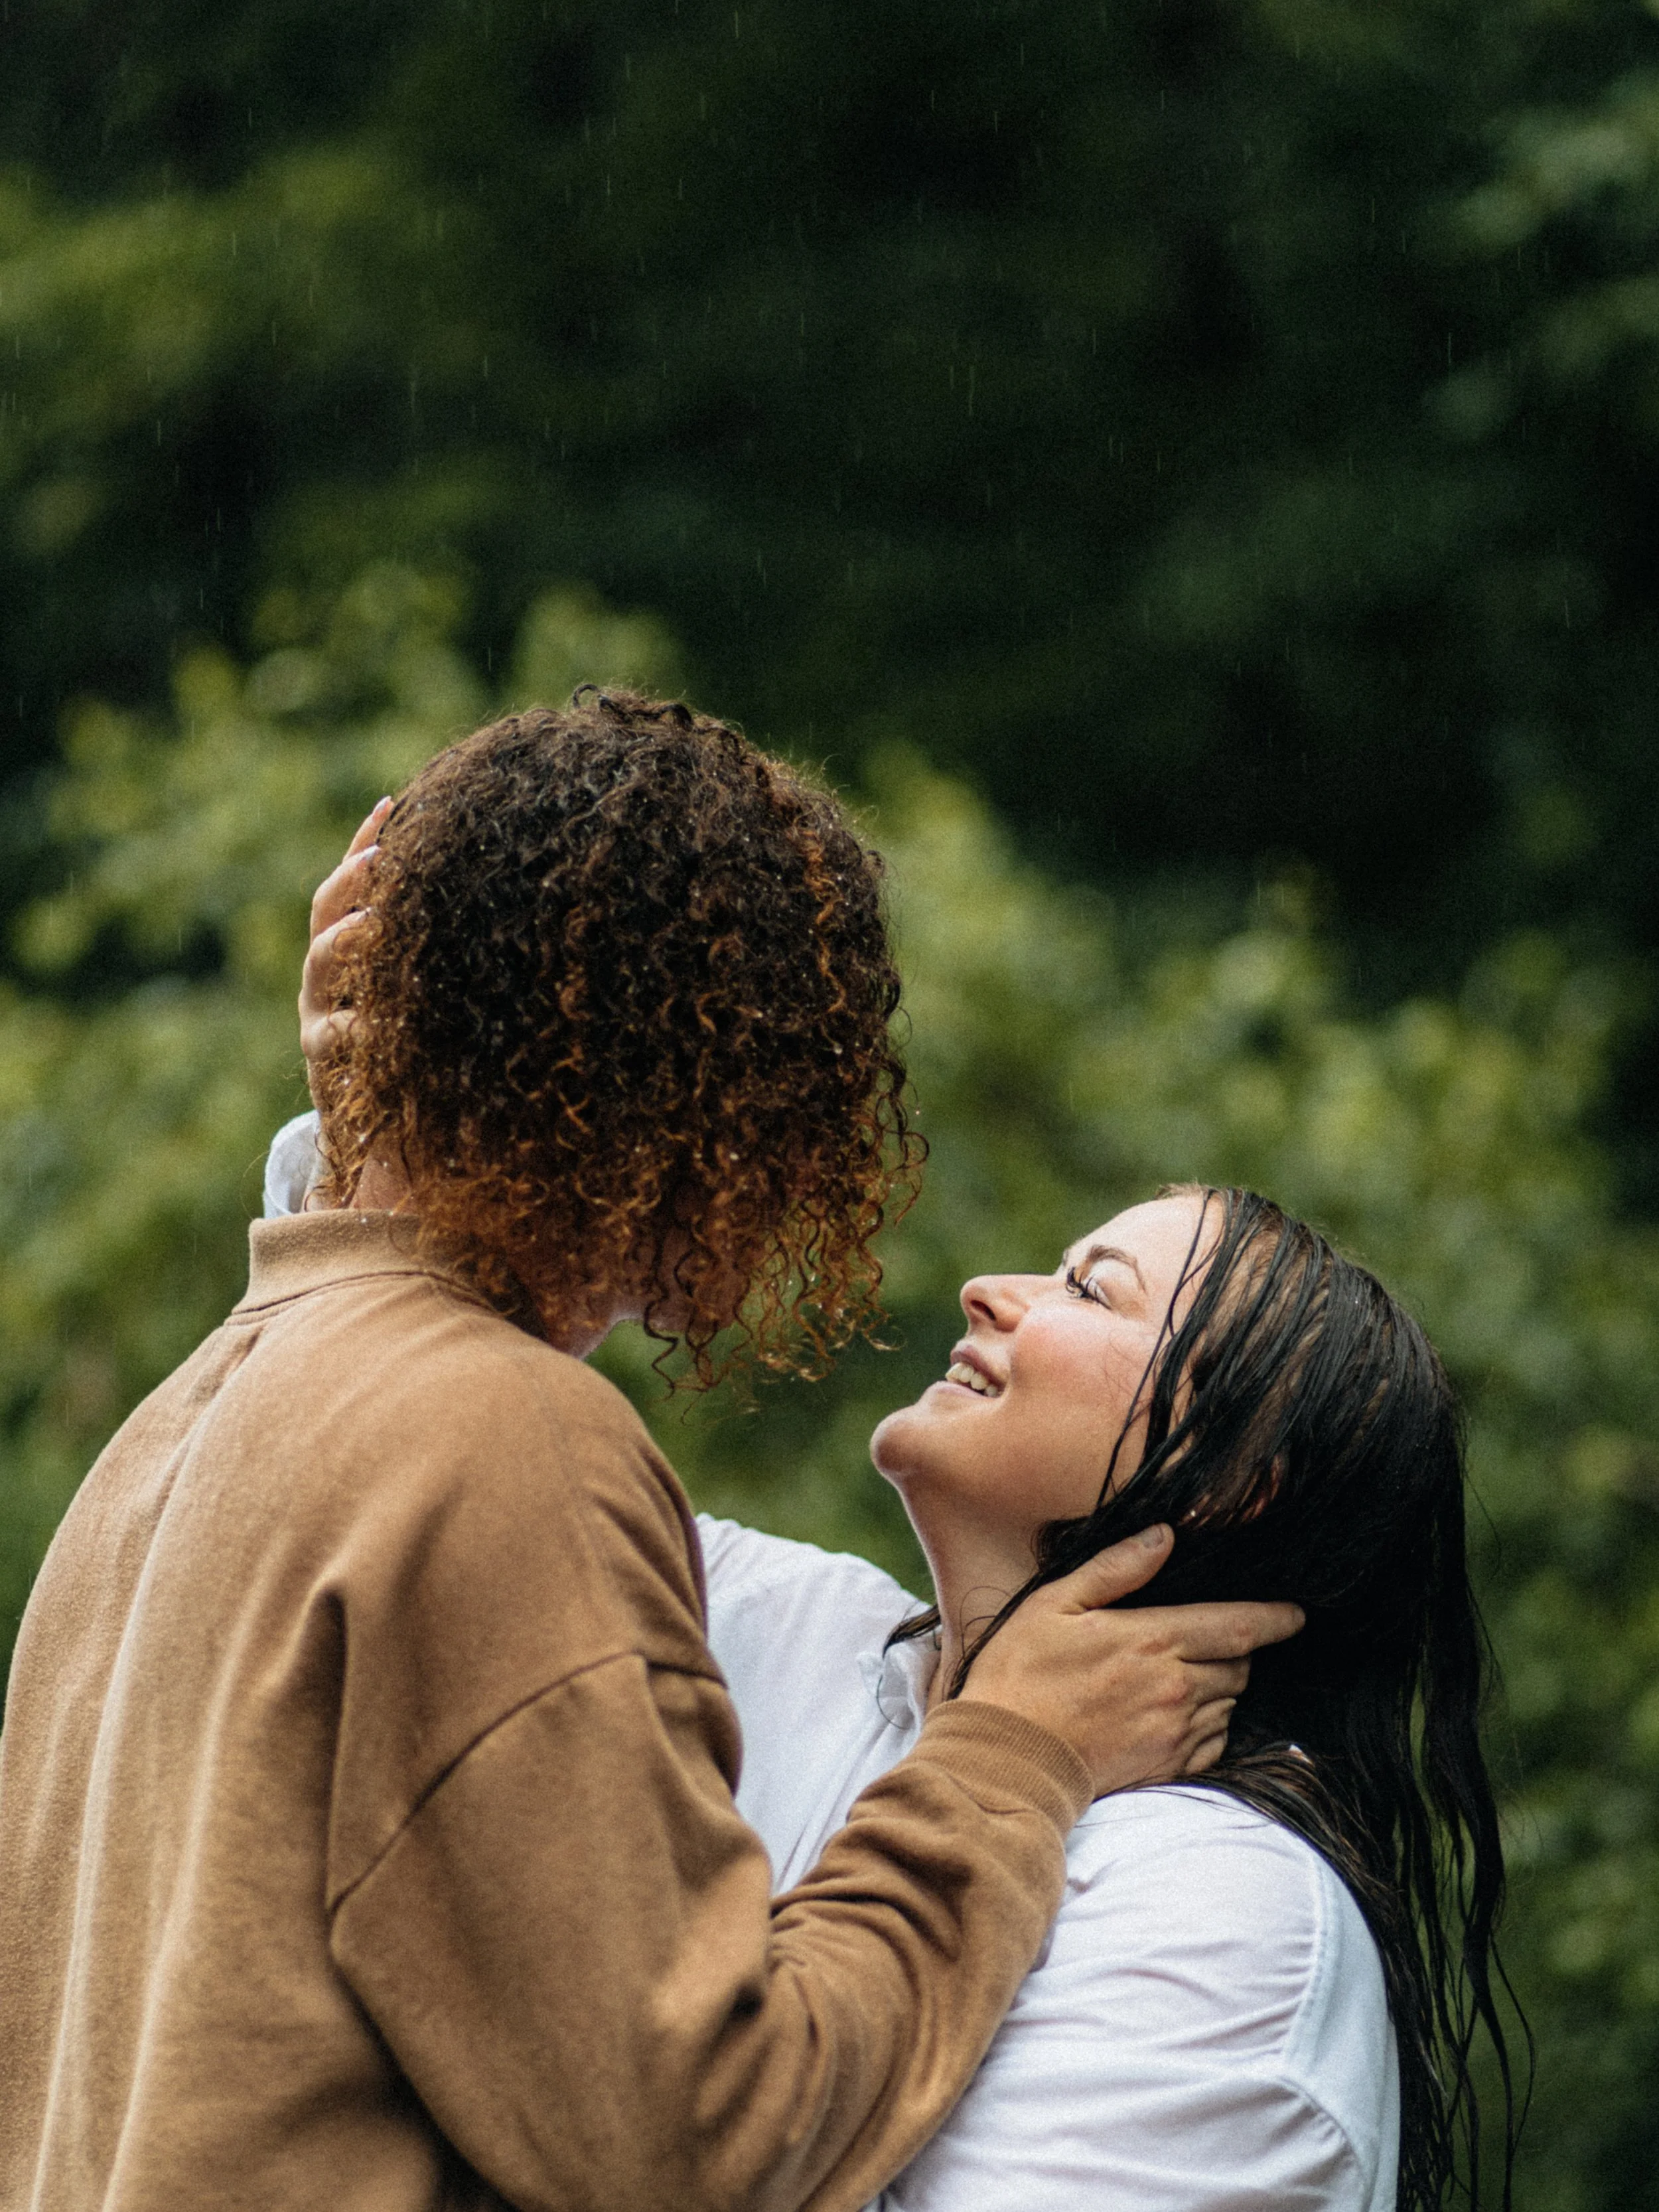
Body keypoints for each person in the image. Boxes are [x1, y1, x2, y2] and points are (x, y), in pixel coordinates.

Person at [0, 693, 1301, 2212]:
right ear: (714, 1083)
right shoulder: (504, 1443)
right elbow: (688, 2145)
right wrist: (1010, 1756)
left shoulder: (174, 1438)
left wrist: (372, 1121)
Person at [268, 1131, 1524, 2209]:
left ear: (1245, 1475)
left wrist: (1010, 1758)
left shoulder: (1225, 1917)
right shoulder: (770, 1626)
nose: (988, 1291)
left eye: (1092, 1291)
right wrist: (380, 1099)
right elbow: (390, 1469)